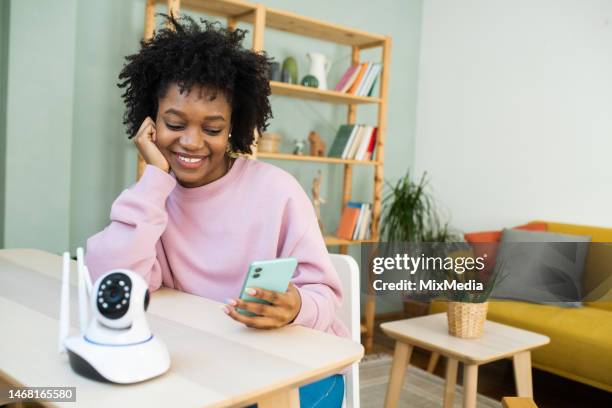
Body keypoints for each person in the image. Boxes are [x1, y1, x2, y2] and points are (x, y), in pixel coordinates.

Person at [85, 15, 347, 407]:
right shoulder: (150, 199)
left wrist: (296, 308)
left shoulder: (277, 191)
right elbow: (112, 282)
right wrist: (155, 178)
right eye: (175, 123)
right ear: (150, 123)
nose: (191, 143)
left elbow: (324, 294)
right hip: (207, 367)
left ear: (233, 128)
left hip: (299, 369)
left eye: (212, 129)